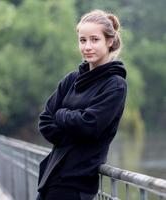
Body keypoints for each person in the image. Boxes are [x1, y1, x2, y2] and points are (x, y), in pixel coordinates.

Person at [36, 9, 127, 200]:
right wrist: (72, 132)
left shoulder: (115, 84)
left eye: (94, 39)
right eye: (83, 40)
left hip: (77, 183)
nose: (87, 46)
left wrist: (61, 114)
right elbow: (45, 120)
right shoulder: (71, 79)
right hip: (51, 176)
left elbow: (90, 125)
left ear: (109, 41)